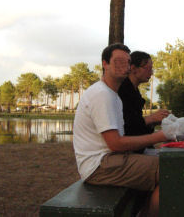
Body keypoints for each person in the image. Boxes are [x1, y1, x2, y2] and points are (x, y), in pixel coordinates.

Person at [73, 43, 174, 217]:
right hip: (99, 166)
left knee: (170, 163)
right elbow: (116, 144)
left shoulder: (113, 95)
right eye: (117, 61)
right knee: (173, 171)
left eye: (127, 62)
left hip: (111, 159)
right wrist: (160, 136)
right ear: (105, 64)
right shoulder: (102, 94)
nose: (124, 66)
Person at [118, 51, 169, 153]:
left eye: (152, 69)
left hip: (138, 149)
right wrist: (151, 118)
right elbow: (127, 127)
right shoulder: (122, 91)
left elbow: (138, 128)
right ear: (133, 68)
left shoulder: (134, 91)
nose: (151, 73)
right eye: (147, 68)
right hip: (126, 152)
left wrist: (153, 123)